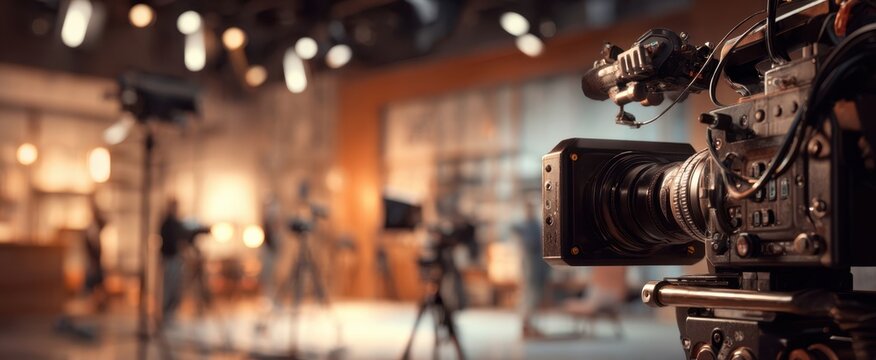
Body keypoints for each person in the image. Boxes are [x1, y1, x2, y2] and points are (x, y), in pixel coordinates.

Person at [514, 200, 552, 338]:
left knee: (534, 298)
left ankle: (531, 326)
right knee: (529, 298)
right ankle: (527, 326)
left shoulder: (534, 225)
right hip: (531, 269)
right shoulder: (527, 226)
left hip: (536, 269)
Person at [159, 198, 191, 324]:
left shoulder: (176, 223)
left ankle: (172, 312)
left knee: (176, 287)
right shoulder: (167, 223)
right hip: (169, 259)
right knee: (169, 287)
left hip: (175, 259)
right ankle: (166, 314)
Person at [84, 194, 108, 311]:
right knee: (95, 282)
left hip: (96, 259)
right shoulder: (92, 228)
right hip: (94, 259)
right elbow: (90, 246)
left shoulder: (94, 226)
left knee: (97, 282)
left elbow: (105, 222)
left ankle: (99, 303)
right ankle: (97, 303)